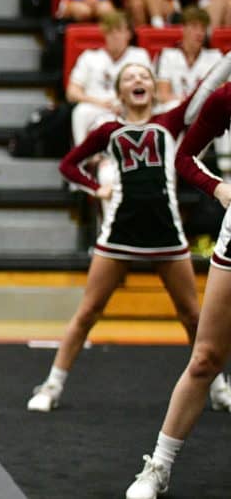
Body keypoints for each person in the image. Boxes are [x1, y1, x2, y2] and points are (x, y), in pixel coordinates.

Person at [27, 54, 231, 415]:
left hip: (167, 234)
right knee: (88, 312)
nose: (138, 81)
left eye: (145, 76)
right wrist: (96, 189)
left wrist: (227, 59)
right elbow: (68, 164)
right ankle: (52, 385)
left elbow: (205, 89)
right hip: (119, 234)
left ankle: (217, 388)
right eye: (130, 77)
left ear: (153, 88)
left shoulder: (170, 121)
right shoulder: (108, 130)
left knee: (192, 316)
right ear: (119, 91)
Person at [124, 64, 231, 499]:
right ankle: (159, 467)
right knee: (205, 358)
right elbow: (185, 158)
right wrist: (218, 188)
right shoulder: (226, 97)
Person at [67, 10, 151, 145]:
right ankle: (81, 153)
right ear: (104, 34)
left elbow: (150, 88)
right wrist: (97, 102)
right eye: (111, 31)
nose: (115, 36)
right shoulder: (89, 57)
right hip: (95, 105)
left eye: (119, 30)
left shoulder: (139, 56)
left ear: (128, 34)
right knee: (80, 111)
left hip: (128, 107)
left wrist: (126, 103)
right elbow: (72, 92)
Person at [155, 6, 222, 108]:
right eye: (194, 27)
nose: (199, 33)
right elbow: (163, 95)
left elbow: (220, 94)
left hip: (205, 111)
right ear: (183, 28)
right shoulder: (167, 55)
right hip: (174, 111)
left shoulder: (216, 57)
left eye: (203, 28)